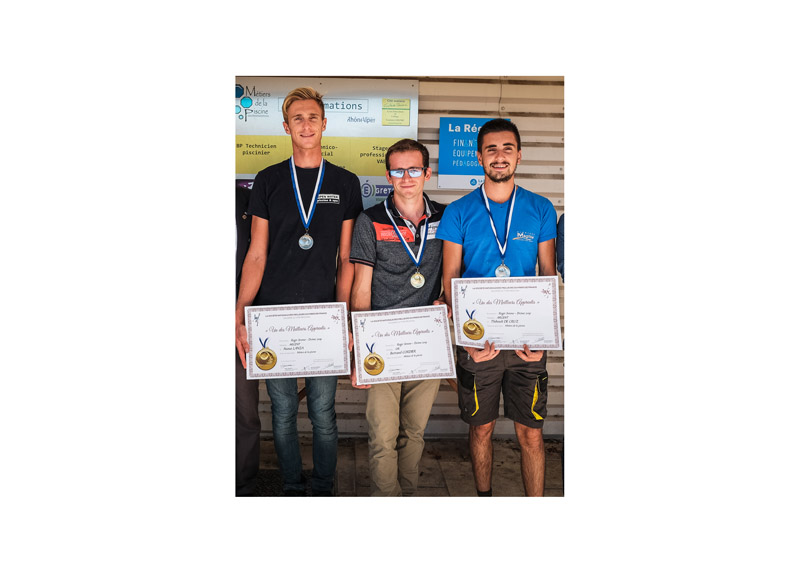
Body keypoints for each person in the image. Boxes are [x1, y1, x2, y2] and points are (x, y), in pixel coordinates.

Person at [235, 87, 363, 496]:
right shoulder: (269, 180)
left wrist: (343, 316)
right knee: (284, 410)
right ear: (285, 126)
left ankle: (323, 485)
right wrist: (240, 313)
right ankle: (291, 484)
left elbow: (347, 259)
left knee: (323, 411)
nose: (305, 125)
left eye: (312, 118)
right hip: (273, 316)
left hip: (323, 317)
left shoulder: (345, 182)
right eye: (297, 119)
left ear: (324, 124)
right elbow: (256, 254)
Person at [437, 118, 557, 497]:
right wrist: (465, 340)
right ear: (479, 157)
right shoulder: (458, 212)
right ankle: (484, 499)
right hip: (478, 343)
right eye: (491, 149)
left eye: (507, 148)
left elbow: (548, 276)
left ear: (519, 155)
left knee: (531, 433)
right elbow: (450, 279)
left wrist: (544, 339)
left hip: (527, 344)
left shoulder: (540, 209)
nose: (499, 156)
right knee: (481, 429)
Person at [349, 139, 447, 496]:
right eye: (398, 170)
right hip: (382, 343)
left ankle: (408, 495)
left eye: (414, 169)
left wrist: (446, 301)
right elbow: (361, 288)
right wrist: (360, 353)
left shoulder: (446, 217)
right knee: (382, 437)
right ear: (388, 175)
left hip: (426, 343)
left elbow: (454, 274)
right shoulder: (370, 220)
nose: (406, 177)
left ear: (427, 173)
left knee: (414, 433)